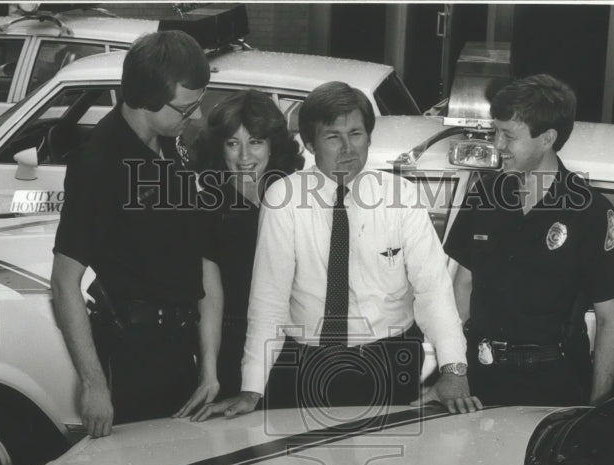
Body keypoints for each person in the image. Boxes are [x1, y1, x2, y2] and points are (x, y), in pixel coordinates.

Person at [196, 81, 480, 420]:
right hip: (305, 364)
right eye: (333, 136)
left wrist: (454, 370)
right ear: (312, 144)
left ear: (369, 137)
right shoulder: (283, 199)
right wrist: (252, 388)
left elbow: (433, 290)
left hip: (389, 361)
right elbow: (268, 303)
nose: (348, 148)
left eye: (356, 134)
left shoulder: (401, 196)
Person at [51, 30, 212, 438]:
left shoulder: (168, 141)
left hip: (179, 346)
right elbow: (64, 281)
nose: (193, 117)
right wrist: (93, 385)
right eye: (186, 108)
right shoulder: (99, 165)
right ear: (147, 100)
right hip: (133, 357)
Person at [444, 75, 614, 407]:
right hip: (481, 382)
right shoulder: (484, 194)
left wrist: (597, 406)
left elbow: (609, 318)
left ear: (546, 139)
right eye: (496, 132)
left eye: (509, 136)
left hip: (553, 385)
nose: (498, 145)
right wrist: (455, 372)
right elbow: (463, 287)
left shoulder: (589, 213)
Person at [180, 91, 304, 409]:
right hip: (235, 348)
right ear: (219, 148)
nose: (244, 155)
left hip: (294, 347)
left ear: (273, 146)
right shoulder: (207, 206)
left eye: (256, 142)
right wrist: (208, 374)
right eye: (233, 143)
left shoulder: (296, 199)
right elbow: (210, 298)